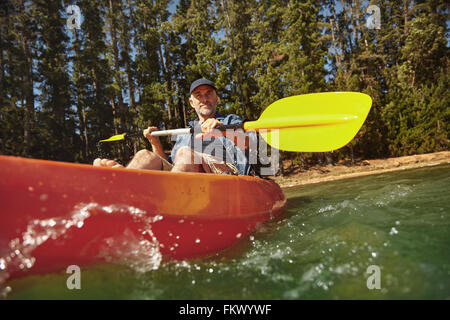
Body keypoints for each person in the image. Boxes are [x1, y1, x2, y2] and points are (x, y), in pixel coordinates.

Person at [93, 78, 252, 175]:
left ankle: (166, 199)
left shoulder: (230, 121)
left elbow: (249, 145)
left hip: (224, 173)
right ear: (192, 102)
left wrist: (224, 131)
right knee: (144, 155)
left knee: (185, 154)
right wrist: (155, 143)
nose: (204, 99)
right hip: (183, 172)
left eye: (208, 93)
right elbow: (168, 164)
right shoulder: (184, 132)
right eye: (198, 95)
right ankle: (123, 184)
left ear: (216, 98)